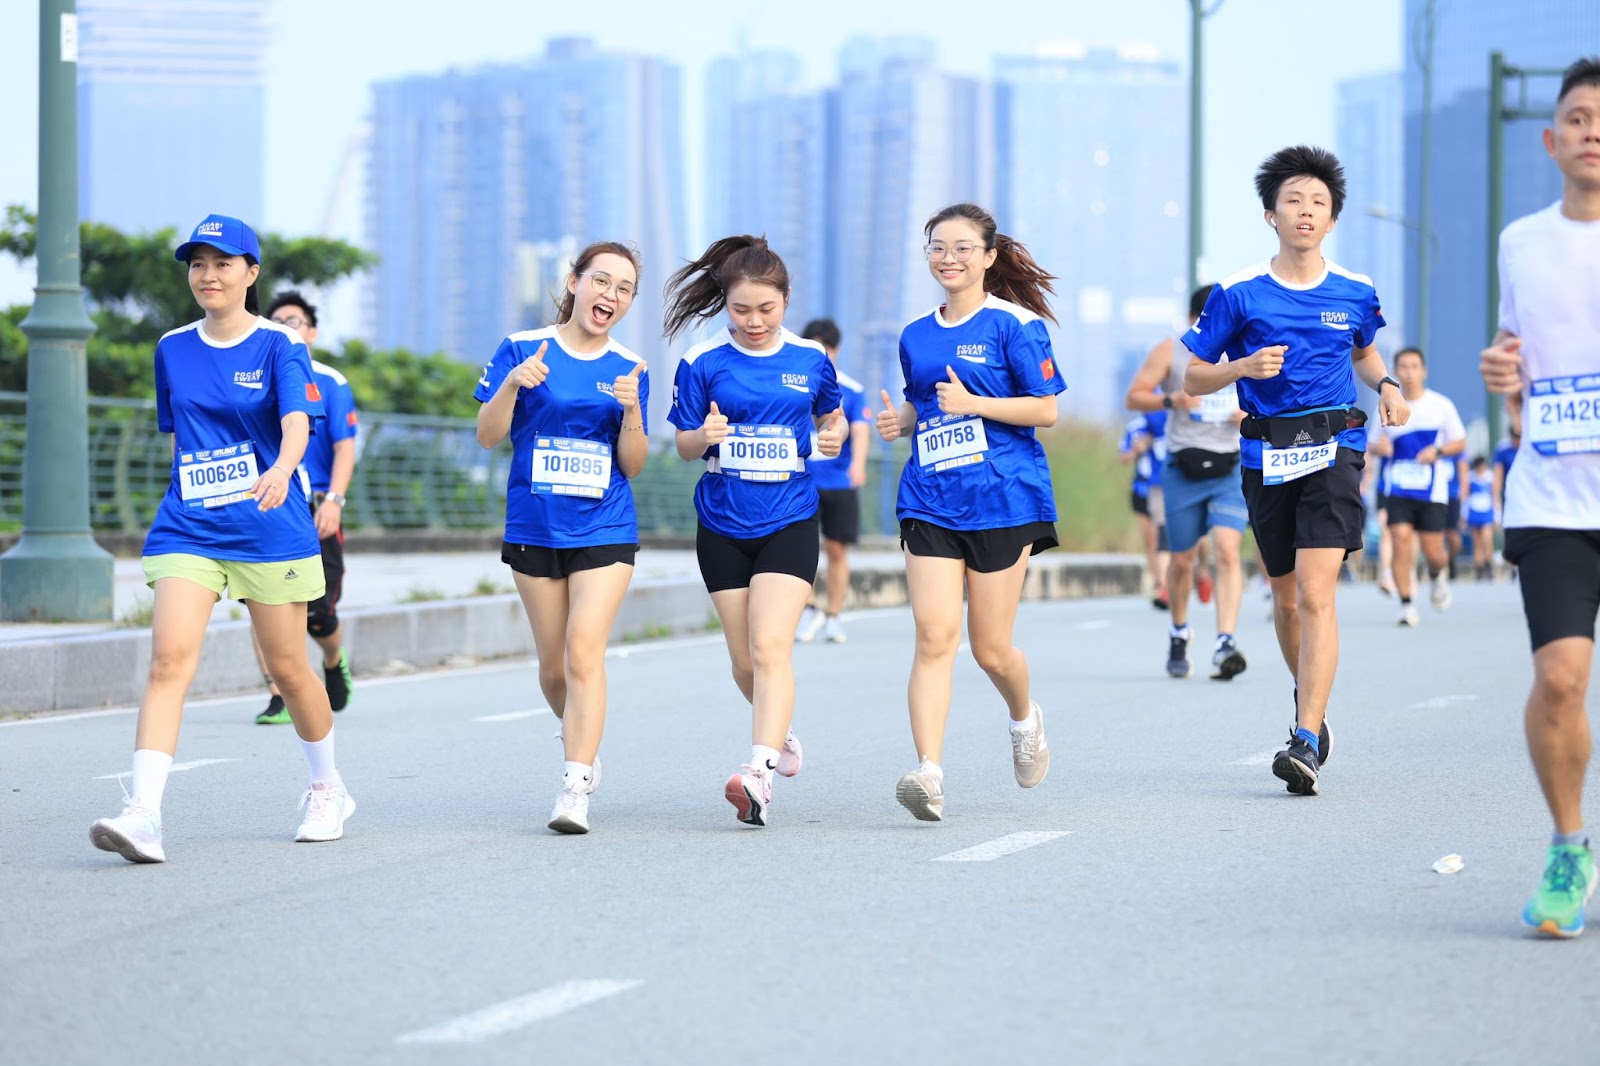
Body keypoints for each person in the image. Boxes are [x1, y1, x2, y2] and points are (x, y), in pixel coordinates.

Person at [90, 214, 351, 863]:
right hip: (190, 525)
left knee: (291, 670)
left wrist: (285, 469)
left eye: (222, 263)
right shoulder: (172, 347)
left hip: (271, 528)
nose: (207, 275)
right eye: (197, 264)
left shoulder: (278, 346)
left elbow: (297, 423)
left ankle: (327, 787)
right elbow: (179, 434)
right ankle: (144, 814)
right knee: (169, 660)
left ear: (251, 273)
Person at [1183, 146, 1409, 797]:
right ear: (1270, 215)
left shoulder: (1355, 290)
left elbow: (1365, 353)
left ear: (1332, 218)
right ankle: (1311, 694)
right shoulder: (1239, 293)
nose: (1306, 212)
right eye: (1293, 201)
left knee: (1316, 592)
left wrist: (1387, 384)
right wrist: (1239, 369)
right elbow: (1192, 372)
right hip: (1265, 454)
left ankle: (1305, 736)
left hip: (1334, 447)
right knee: (1284, 597)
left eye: (1317, 203)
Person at [876, 202, 1064, 822]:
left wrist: (975, 404)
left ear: (988, 256)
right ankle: (928, 772)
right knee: (933, 636)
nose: (947, 257)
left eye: (961, 247)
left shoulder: (1015, 325)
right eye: (936, 246)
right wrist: (895, 421)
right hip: (930, 497)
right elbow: (923, 406)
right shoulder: (914, 334)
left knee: (990, 649)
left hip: (1002, 497)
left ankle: (1024, 717)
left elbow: (1045, 411)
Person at [1479, 56, 1600, 937]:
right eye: (1579, 117)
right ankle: (1568, 845)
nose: (1593, 130)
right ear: (1551, 139)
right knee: (1560, 681)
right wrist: (1497, 367)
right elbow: (1510, 346)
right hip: (1553, 495)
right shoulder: (1521, 240)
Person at [665, 235, 845, 827]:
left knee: (771, 647)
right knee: (744, 660)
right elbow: (685, 444)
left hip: (790, 516)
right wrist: (705, 437)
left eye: (766, 309)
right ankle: (781, 730)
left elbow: (831, 414)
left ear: (785, 300)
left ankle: (759, 772)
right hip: (721, 521)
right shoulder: (701, 362)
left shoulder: (810, 359)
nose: (754, 321)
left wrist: (835, 434)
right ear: (725, 304)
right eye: (741, 310)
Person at [475, 242, 649, 835]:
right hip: (534, 525)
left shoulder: (629, 367)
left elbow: (633, 463)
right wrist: (512, 387)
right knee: (553, 669)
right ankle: (586, 741)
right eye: (602, 281)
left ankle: (574, 785)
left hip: (605, 525)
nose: (611, 296)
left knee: (583, 651)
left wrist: (631, 411)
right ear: (575, 283)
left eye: (624, 289)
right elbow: (486, 436)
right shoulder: (522, 348)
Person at [1126, 284, 1250, 681]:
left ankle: (1225, 641)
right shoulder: (1171, 350)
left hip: (1231, 466)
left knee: (1228, 551)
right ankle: (1179, 632)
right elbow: (1135, 396)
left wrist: (1247, 414)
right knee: (1181, 560)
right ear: (1196, 318)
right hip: (1182, 465)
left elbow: (1275, 397)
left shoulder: (1246, 350)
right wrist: (1173, 400)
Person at [252, 291, 359, 724]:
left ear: (311, 331)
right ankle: (278, 694)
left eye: (293, 321)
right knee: (260, 597)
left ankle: (333, 658)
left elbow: (344, 447)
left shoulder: (330, 382)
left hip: (315, 504)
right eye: (276, 320)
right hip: (268, 502)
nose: (285, 327)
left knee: (317, 612)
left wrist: (334, 500)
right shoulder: (257, 375)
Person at [1367, 347, 1465, 626]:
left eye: (1414, 367)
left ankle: (1437, 575)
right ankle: (1407, 604)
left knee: (1434, 551)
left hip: (1431, 491)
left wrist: (1438, 452)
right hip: (1398, 487)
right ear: (1396, 371)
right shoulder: (1386, 405)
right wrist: (1379, 447)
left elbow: (1460, 441)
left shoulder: (1440, 405)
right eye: (1404, 367)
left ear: (1423, 371)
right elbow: (1372, 445)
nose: (1409, 372)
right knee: (1399, 540)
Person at [795, 317, 870, 645]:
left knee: (837, 549)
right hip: (802, 481)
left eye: (825, 348)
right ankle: (809, 609)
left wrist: (858, 464)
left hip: (839, 482)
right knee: (802, 548)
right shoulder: (796, 383)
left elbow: (860, 429)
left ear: (836, 350)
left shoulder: (851, 390)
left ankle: (835, 616)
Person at [1120, 411, 1170, 607]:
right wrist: (1138, 449)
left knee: (1161, 535)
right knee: (1149, 539)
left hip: (1164, 487)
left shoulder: (1171, 420)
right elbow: (1123, 457)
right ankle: (1158, 582)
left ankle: (1164, 583)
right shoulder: (1136, 427)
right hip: (1141, 487)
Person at [1465, 456, 1497, 580]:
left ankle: (1488, 564)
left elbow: (1494, 495)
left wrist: (1497, 515)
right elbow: (1466, 496)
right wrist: (1464, 515)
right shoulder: (1470, 477)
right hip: (1474, 511)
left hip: (1487, 511)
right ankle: (1479, 568)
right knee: (1477, 542)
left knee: (1487, 539)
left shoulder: (1490, 477)